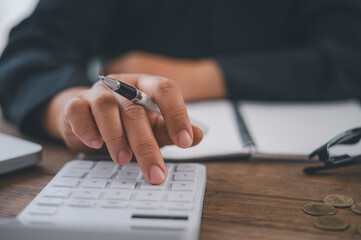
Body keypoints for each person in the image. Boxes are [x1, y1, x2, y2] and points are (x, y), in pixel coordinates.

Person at [0, 0, 361, 184]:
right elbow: (30, 52)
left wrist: (203, 77)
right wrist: (74, 111)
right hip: (121, 162)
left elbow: (351, 49)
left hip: (293, 172)